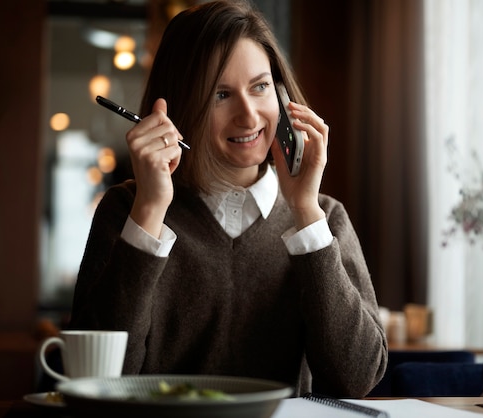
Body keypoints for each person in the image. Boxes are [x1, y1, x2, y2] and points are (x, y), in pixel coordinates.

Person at [70, 0, 387, 397]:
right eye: (221, 95)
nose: (250, 116)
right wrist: (150, 211)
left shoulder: (324, 217)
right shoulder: (127, 210)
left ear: (283, 93)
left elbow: (356, 379)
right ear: (181, 108)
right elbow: (96, 380)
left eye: (260, 87)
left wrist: (305, 212)